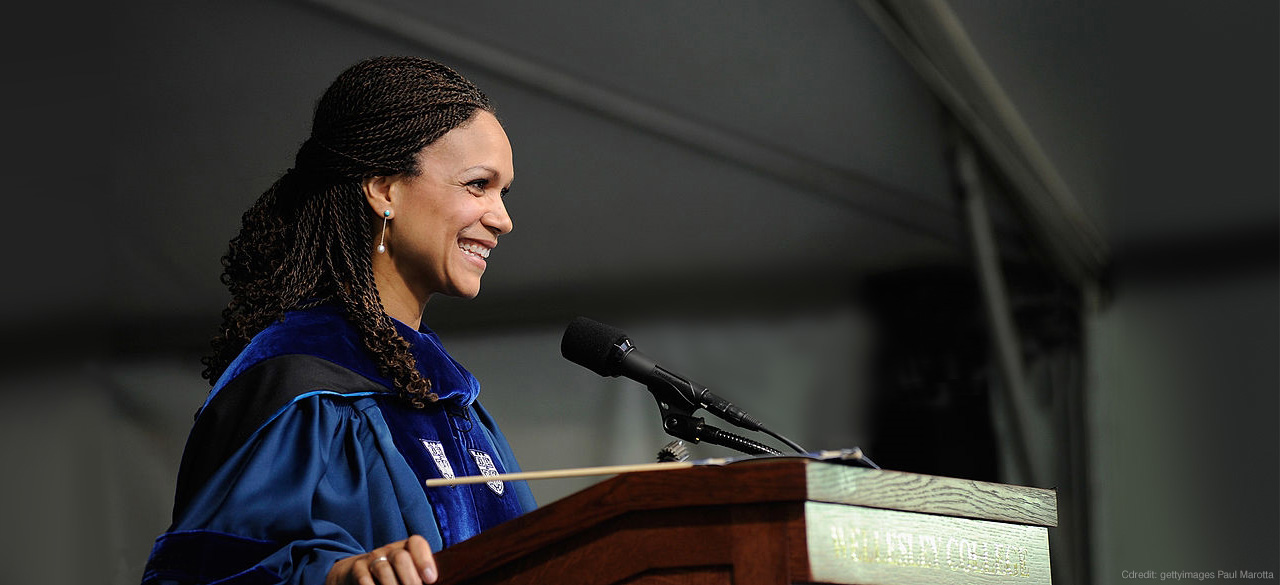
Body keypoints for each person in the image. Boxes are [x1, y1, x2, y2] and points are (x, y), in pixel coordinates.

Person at [142, 56, 536, 585]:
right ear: (384, 190)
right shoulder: (301, 386)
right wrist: (333, 578)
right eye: (477, 185)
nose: (502, 219)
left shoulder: (456, 405)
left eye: (503, 192)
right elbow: (201, 573)